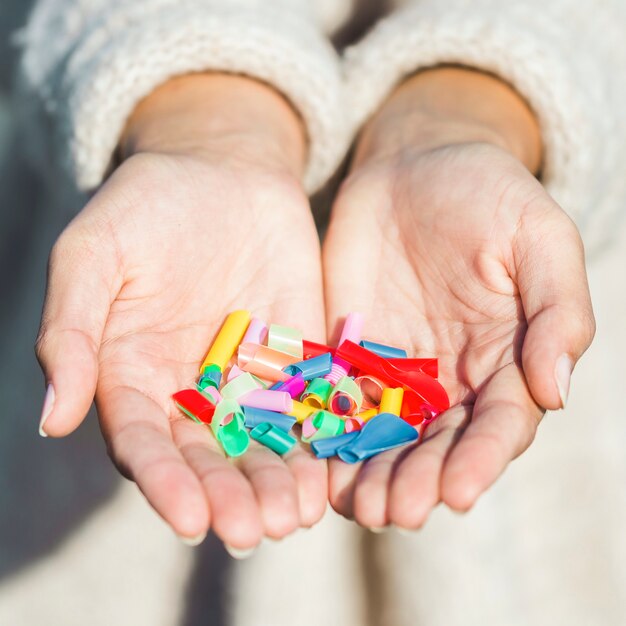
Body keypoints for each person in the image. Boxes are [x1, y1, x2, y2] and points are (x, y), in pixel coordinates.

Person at [15, 0, 626, 623]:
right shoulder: (273, 386)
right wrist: (202, 118)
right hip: (151, 336)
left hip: (497, 350)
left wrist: (472, 107)